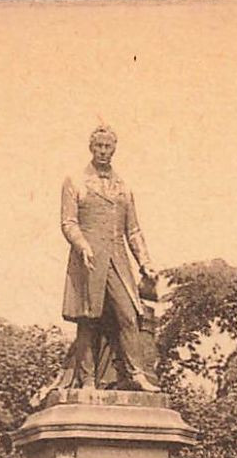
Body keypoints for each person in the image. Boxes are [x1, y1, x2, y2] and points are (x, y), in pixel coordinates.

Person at [45, 125, 161, 396]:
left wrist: (145, 262)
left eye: (108, 147)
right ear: (91, 147)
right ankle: (87, 380)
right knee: (88, 319)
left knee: (129, 315)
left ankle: (136, 375)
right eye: (98, 146)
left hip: (119, 260)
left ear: (114, 149)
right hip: (89, 260)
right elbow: (68, 222)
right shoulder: (75, 181)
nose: (103, 152)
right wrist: (82, 245)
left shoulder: (123, 187)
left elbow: (133, 230)